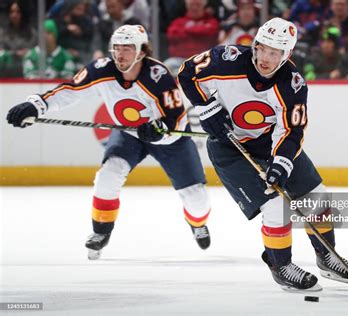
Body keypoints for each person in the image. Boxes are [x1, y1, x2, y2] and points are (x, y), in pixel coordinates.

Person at [178, 17, 348, 291]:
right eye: (262, 48)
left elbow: (292, 130)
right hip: (230, 149)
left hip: (268, 143)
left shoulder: (293, 84)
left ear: (286, 55)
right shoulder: (226, 60)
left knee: (317, 196)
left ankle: (327, 257)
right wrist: (206, 107)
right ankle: (281, 265)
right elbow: (186, 73)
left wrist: (281, 163)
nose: (265, 58)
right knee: (275, 204)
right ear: (255, 44)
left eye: (274, 53)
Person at [6, 25, 212, 260]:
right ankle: (100, 231)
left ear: (142, 52)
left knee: (197, 200)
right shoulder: (101, 69)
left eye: (127, 49)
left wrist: (161, 131)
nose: (120, 55)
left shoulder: (158, 76)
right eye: (116, 48)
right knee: (108, 175)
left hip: (170, 139)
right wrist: (37, 105)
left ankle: (197, 223)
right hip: (128, 134)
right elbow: (71, 90)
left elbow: (178, 116)